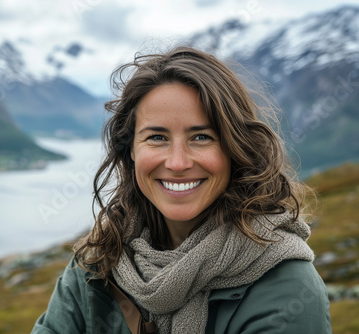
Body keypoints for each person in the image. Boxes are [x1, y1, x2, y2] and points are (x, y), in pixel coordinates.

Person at [31, 46, 332, 334]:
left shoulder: (286, 288)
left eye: (201, 137)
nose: (177, 163)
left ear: (234, 148)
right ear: (131, 149)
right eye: (157, 137)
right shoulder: (99, 261)